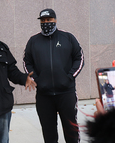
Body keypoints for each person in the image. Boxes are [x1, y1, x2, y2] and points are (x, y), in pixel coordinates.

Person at [23, 8, 84, 143]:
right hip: (44, 96)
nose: (46, 22)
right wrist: (36, 79)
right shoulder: (33, 41)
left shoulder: (67, 37)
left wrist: (69, 76)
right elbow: (27, 62)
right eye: (43, 20)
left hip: (66, 94)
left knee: (71, 132)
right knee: (49, 134)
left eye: (49, 20)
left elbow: (79, 58)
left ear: (55, 20)